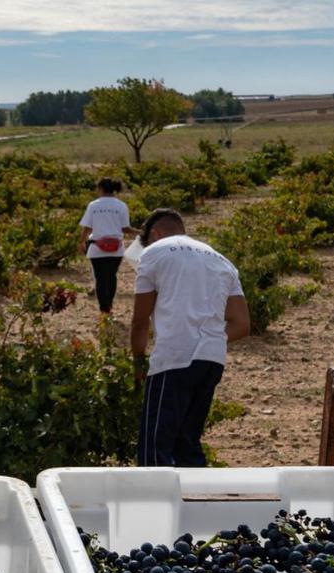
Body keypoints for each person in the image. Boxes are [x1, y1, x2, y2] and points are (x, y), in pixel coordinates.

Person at [131, 208, 250, 467]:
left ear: (156, 233)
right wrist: (210, 338)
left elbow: (140, 322)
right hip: (211, 360)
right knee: (188, 444)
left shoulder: (154, 252)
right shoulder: (221, 260)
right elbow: (241, 324)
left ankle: (158, 507)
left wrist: (139, 361)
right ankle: (194, 504)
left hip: (173, 360)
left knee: (155, 448)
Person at [78, 177, 135, 314]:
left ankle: (104, 309)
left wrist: (81, 242)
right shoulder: (121, 205)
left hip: (97, 249)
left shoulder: (93, 205)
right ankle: (109, 304)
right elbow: (125, 229)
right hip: (116, 249)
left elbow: (87, 227)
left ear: (101, 189)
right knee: (111, 276)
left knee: (100, 279)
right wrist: (140, 232)